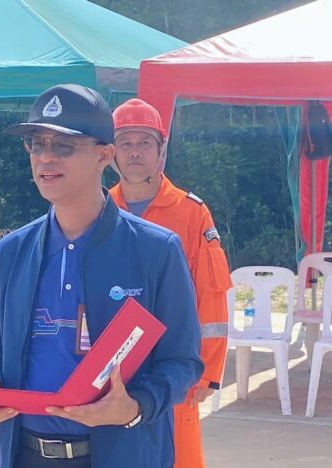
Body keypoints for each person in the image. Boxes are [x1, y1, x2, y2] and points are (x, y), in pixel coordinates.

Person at [0, 84, 203, 468]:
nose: (46, 157)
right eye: (36, 144)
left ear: (104, 155)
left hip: (122, 455)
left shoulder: (156, 251)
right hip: (26, 454)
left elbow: (182, 361)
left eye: (63, 145)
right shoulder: (11, 253)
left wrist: (135, 405)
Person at [109, 98, 232, 468]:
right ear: (110, 152)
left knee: (180, 456)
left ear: (161, 149)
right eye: (125, 143)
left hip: (171, 365)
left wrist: (206, 371)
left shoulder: (191, 213)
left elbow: (210, 297)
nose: (134, 152)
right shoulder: (97, 210)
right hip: (108, 366)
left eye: (144, 142)